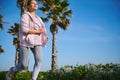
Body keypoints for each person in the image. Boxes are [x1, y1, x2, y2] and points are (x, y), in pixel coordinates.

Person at [6, 0, 48, 80]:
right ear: (28, 6)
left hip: (37, 41)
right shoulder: (25, 16)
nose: (35, 4)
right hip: (26, 41)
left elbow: (43, 30)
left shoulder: (39, 19)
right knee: (24, 65)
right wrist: (38, 31)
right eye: (32, 3)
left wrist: (44, 36)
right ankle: (12, 69)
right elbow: (24, 29)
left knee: (39, 61)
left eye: (36, 3)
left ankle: (33, 79)